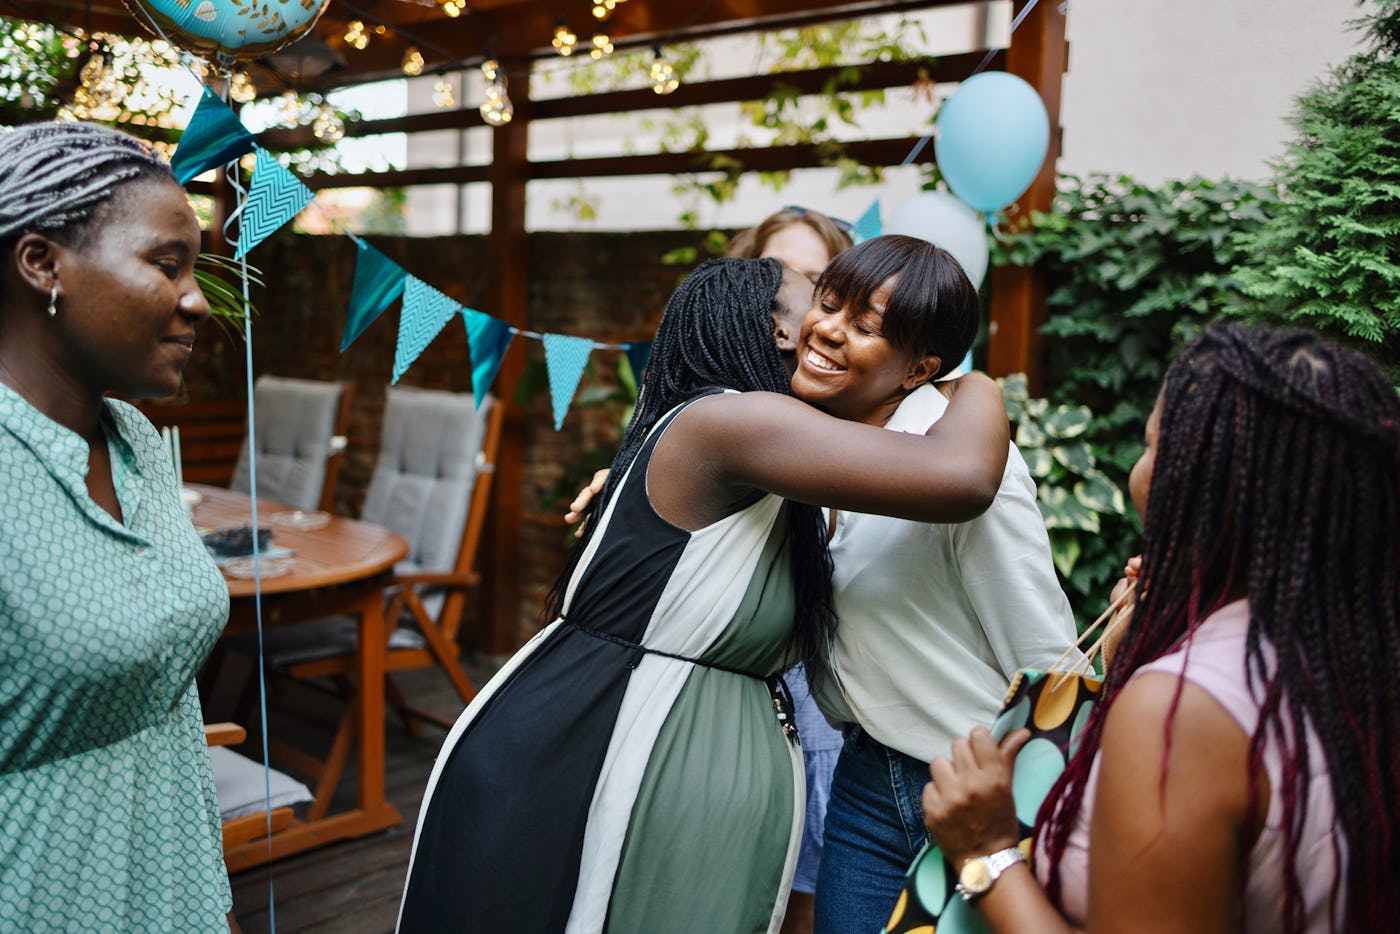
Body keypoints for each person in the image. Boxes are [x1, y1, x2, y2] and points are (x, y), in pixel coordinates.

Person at [397, 256, 1011, 932]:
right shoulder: (736, 424)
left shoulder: (745, 439)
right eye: (820, 300)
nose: (829, 321)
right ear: (782, 332)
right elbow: (961, 476)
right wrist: (976, 381)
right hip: (596, 742)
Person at [923, 323, 1400, 933]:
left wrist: (985, 850)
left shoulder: (1180, 708)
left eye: (1150, 448)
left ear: (1191, 484)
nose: (1137, 471)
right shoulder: (1355, 648)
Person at [792, 237, 1076, 934]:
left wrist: (1025, 819)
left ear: (919, 368)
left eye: (865, 325)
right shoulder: (802, 444)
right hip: (863, 781)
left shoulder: (958, 463)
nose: (828, 328)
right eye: (828, 303)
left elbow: (1043, 654)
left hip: (967, 789)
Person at [0, 122, 232, 930]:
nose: (198, 300)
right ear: (42, 264)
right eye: (166, 265)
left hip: (180, 889)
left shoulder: (135, 438)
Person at [725, 205, 852, 933]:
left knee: (809, 878)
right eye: (783, 275)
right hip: (731, 676)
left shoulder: (848, 398)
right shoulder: (722, 396)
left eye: (818, 280)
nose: (799, 300)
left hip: (818, 675)